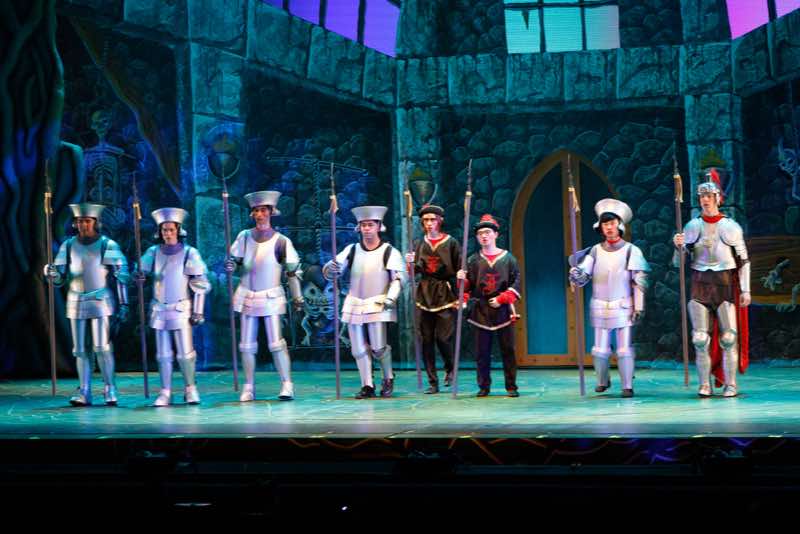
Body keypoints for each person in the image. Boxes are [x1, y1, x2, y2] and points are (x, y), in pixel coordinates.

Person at [672, 170, 750, 397]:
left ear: (717, 198)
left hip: (724, 285)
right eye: (702, 196)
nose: (705, 200)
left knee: (729, 337)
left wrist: (745, 290)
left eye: (708, 196)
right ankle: (704, 384)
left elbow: (743, 261)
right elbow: (678, 264)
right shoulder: (691, 226)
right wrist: (678, 247)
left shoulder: (731, 226)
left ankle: (731, 384)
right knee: (699, 339)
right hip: (700, 285)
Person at [45, 203, 129, 406]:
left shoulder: (107, 245)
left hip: (100, 300)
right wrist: (52, 274)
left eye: (87, 221)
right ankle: (84, 390)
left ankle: (110, 388)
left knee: (102, 347)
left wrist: (124, 303)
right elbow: (60, 279)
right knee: (80, 349)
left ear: (95, 222)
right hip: (76, 300)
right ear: (75, 223)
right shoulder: (68, 245)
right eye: (80, 221)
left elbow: (121, 276)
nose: (83, 224)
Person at [225, 191, 304, 401]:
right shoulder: (244, 237)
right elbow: (236, 262)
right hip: (247, 294)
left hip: (270, 296)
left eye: (263, 210)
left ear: (270, 212)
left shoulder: (281, 241)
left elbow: (292, 272)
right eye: (256, 211)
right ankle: (248, 386)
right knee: (246, 345)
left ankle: (287, 383)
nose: (259, 215)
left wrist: (297, 298)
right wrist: (231, 265)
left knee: (276, 343)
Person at [569, 199, 650, 398]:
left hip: (623, 304)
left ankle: (627, 385)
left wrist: (638, 306)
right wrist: (576, 274)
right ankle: (602, 381)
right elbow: (584, 276)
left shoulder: (631, 250)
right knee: (599, 350)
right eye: (605, 223)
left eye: (612, 223)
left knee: (624, 349)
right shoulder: (595, 251)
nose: (609, 227)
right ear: (601, 226)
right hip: (599, 304)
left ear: (619, 225)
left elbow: (639, 281)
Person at [323, 206, 407, 399]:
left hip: (378, 302)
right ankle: (367, 384)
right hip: (354, 303)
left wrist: (391, 296)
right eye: (363, 225)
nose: (367, 228)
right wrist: (331, 269)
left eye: (370, 225)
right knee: (358, 349)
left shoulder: (389, 251)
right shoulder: (352, 250)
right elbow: (334, 269)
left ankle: (388, 376)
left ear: (379, 226)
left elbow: (399, 278)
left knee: (378, 347)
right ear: (359, 227)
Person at [135, 208, 211, 406]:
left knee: (185, 354)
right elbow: (140, 271)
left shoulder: (189, 253)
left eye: (170, 229)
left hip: (181, 309)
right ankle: (165, 391)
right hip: (159, 309)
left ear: (178, 230)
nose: (167, 233)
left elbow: (200, 284)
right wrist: (139, 275)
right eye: (164, 230)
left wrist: (198, 311)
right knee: (163, 355)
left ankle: (190, 389)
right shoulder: (153, 252)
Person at [456, 214, 521, 397]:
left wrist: (503, 298)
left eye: (487, 232)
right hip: (481, 310)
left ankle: (511, 386)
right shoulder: (472, 260)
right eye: (480, 233)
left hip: (502, 310)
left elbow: (516, 282)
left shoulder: (508, 259)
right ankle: (483, 386)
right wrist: (461, 281)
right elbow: (467, 288)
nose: (484, 236)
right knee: (482, 352)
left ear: (495, 234)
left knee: (508, 350)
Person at [405, 204, 460, 394]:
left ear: (440, 221)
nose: (429, 223)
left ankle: (450, 368)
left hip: (444, 292)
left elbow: (460, 269)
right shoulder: (419, 243)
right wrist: (410, 264)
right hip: (424, 293)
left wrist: (461, 294)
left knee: (443, 338)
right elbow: (414, 271)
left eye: (432, 220)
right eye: (426, 220)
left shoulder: (451, 242)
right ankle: (432, 381)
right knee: (426, 339)